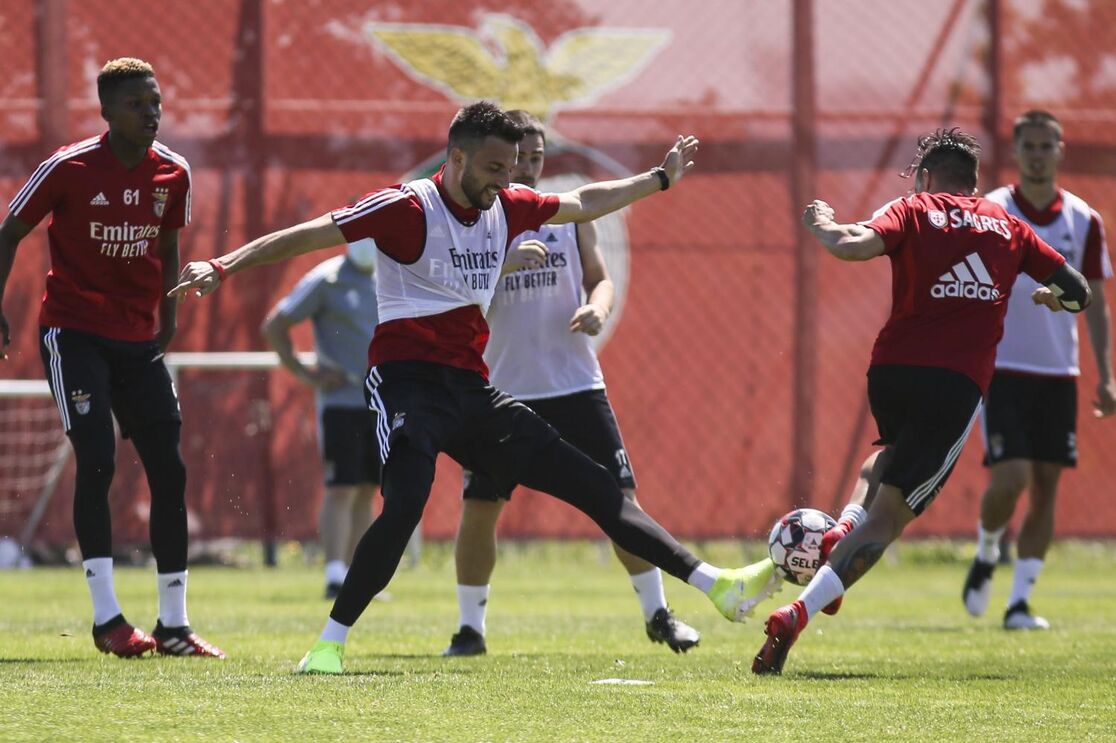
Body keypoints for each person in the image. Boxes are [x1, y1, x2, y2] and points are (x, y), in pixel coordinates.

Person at [169, 101, 780, 675]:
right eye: (493, 167)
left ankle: (717, 586)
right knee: (404, 505)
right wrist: (221, 267)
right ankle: (330, 644)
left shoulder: (507, 204)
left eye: (510, 168)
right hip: (405, 384)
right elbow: (307, 235)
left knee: (596, 484)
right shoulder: (405, 208)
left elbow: (587, 200)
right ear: (455, 158)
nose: (504, 180)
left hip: (472, 390)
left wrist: (660, 179)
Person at [750, 128, 1090, 675]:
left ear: (928, 177)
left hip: (891, 371)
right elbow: (1079, 291)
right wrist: (1053, 297)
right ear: (973, 183)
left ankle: (843, 526)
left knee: (887, 455)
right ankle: (799, 610)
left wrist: (822, 225)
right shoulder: (1009, 226)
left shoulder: (913, 208)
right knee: (889, 520)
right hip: (955, 383)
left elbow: (851, 245)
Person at [442, 111, 699, 657]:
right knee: (481, 506)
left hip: (576, 385)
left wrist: (597, 308)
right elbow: (454, 298)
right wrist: (503, 266)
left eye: (536, 157)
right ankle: (470, 630)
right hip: (503, 388)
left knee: (620, 501)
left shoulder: (567, 213)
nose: (528, 168)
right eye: (519, 159)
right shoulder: (480, 218)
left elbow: (599, 279)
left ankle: (658, 615)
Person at [0, 58, 223, 658]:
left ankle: (174, 626)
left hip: (137, 339)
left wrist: (168, 322)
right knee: (97, 459)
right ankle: (108, 621)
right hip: (74, 333)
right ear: (106, 110)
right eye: (136, 104)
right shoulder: (69, 167)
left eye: (155, 102)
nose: (150, 113)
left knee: (170, 469)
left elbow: (169, 245)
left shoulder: (173, 172)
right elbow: (9, 230)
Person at [962, 111, 1114, 630]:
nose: (1036, 154)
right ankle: (986, 551)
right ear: (1016, 150)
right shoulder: (994, 210)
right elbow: (973, 275)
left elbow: (1094, 301)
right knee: (1011, 479)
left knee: (1046, 486)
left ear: (1060, 150)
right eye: (1028, 145)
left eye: (1046, 145)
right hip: (1003, 366)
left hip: (1058, 373)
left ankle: (1020, 602)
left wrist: (1106, 374)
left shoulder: (1083, 219)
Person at [261, 242, 384, 599]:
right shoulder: (327, 279)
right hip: (341, 403)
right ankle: (334, 575)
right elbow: (275, 325)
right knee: (341, 486)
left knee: (366, 489)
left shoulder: (389, 278)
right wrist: (305, 373)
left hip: (379, 404)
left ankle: (359, 577)